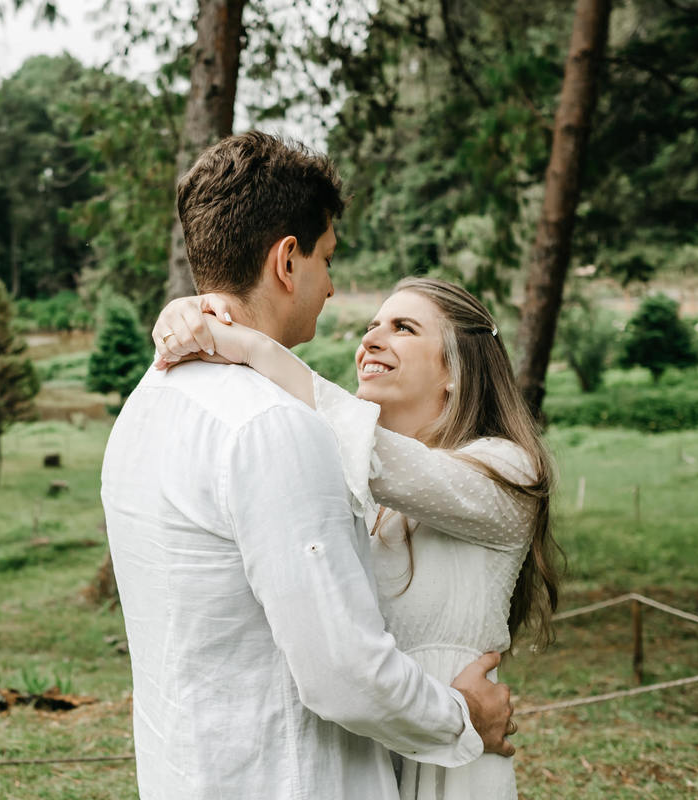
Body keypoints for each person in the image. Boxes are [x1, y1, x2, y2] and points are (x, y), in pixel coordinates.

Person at [100, 131, 514, 800]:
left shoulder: (143, 410)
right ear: (287, 261)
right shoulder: (272, 428)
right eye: (327, 258)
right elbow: (344, 675)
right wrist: (463, 717)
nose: (332, 287)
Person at [151, 276, 561, 800]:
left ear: (457, 370)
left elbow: (372, 450)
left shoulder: (507, 470)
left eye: (403, 328)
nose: (371, 339)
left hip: (450, 759)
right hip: (363, 744)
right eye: (371, 327)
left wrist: (251, 346)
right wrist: (188, 312)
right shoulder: (363, 488)